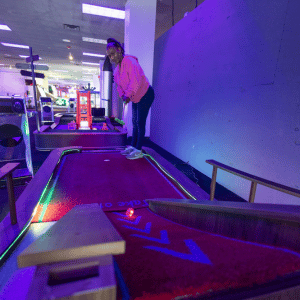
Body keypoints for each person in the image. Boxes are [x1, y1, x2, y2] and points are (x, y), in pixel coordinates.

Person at [106, 38, 155, 160]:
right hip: (135, 96)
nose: (111, 58)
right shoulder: (117, 70)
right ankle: (133, 146)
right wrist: (123, 94)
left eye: (113, 54)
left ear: (119, 51)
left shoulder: (130, 62)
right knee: (134, 122)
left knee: (139, 122)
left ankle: (138, 150)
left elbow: (135, 82)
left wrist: (127, 95)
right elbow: (118, 86)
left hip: (146, 93)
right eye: (109, 56)